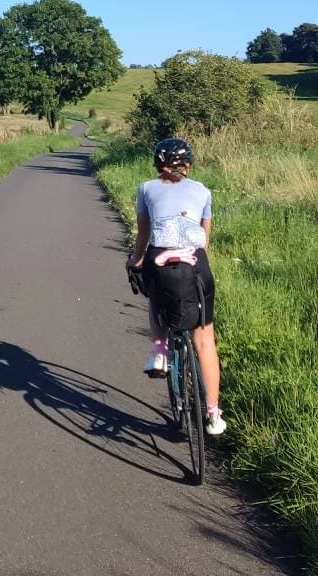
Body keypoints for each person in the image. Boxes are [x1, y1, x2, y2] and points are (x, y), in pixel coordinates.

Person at [126, 136, 225, 436]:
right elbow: (205, 240)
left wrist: (135, 260)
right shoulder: (203, 191)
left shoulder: (146, 189)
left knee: (156, 301)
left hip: (162, 262)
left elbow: (144, 236)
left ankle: (159, 352)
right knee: (205, 339)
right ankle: (213, 414)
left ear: (158, 165)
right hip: (196, 266)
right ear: (188, 166)